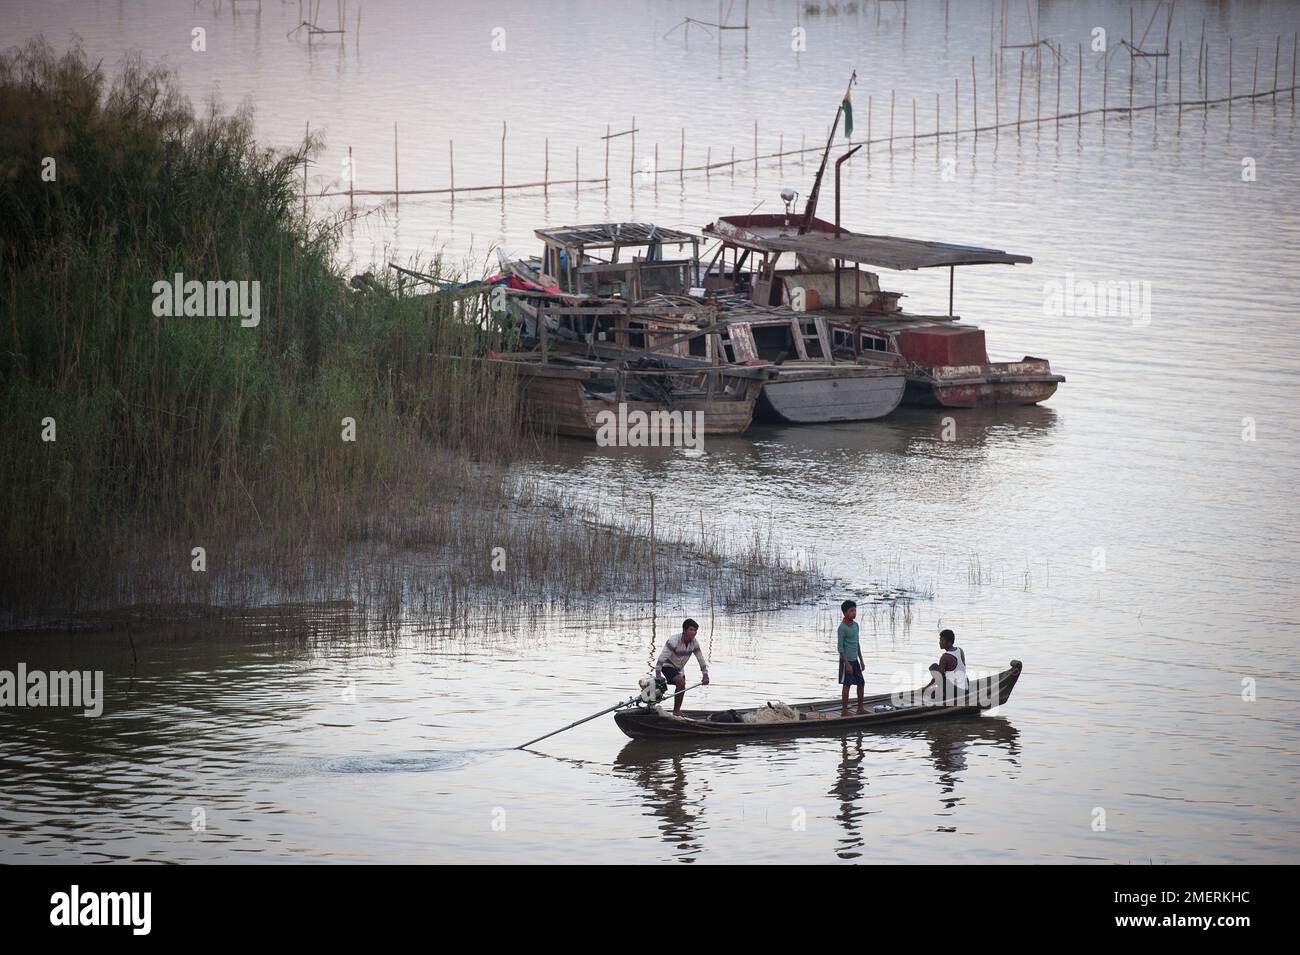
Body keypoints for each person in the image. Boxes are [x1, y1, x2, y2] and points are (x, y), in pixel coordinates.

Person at [654, 619, 711, 715]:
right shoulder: (674, 640)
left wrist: (705, 674)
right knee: (681, 682)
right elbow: (662, 657)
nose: (694, 633)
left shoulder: (694, 643)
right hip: (667, 665)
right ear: (684, 630)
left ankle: (677, 710)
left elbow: (700, 658)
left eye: (695, 630)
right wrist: (658, 675)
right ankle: (676, 711)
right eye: (691, 630)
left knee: (682, 686)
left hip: (679, 668)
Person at [837, 600, 865, 717]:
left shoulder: (856, 626)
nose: (854, 613)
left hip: (855, 660)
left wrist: (861, 660)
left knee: (861, 683)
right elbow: (840, 648)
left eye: (855, 610)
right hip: (846, 661)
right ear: (845, 613)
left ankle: (860, 708)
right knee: (847, 685)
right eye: (851, 611)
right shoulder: (842, 628)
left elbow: (857, 644)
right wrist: (847, 664)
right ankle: (844, 711)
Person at [928, 629, 969, 701]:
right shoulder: (960, 650)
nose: (939, 642)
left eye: (942, 640)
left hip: (957, 692)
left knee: (933, 667)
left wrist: (925, 688)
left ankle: (945, 694)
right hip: (966, 689)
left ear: (949, 642)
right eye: (940, 640)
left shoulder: (945, 657)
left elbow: (938, 677)